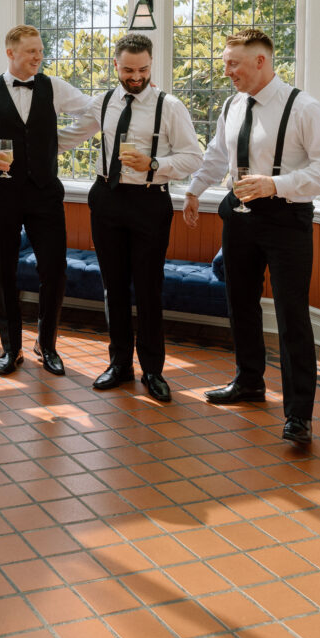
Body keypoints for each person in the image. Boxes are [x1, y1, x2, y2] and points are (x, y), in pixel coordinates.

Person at [183, 28, 320, 445]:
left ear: (261, 61)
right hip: (238, 216)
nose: (227, 71)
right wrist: (192, 191)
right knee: (239, 302)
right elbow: (217, 155)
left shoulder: (304, 108)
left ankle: (299, 415)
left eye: (234, 64)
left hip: (286, 220)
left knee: (291, 315)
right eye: (226, 63)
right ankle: (249, 382)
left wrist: (275, 185)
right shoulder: (232, 104)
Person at [74, 33, 203, 402]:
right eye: (128, 70)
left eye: (143, 69)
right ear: (115, 65)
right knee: (113, 285)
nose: (136, 77)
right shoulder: (103, 102)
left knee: (148, 288)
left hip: (150, 200)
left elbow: (193, 157)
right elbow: (71, 135)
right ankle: (119, 365)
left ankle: (153, 371)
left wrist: (155, 164)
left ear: (152, 65)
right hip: (107, 197)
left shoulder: (170, 106)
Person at [0, 24, 97, 377]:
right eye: (31, 52)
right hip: (1, 191)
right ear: (11, 53)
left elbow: (94, 109)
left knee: (54, 268)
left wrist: (60, 141)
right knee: (4, 270)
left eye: (40, 50)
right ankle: (11, 348)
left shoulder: (54, 87)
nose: (39, 57)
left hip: (44, 193)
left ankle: (47, 344)